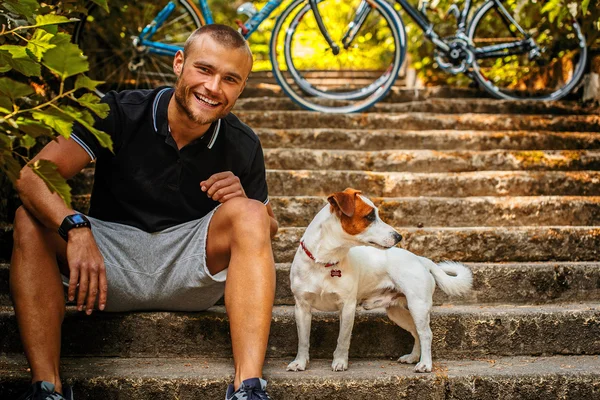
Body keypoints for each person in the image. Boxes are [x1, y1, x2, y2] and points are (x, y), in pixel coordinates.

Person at [11, 24, 277, 400]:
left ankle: (248, 387)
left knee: (251, 214)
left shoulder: (244, 142)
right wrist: (76, 227)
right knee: (28, 218)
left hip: (190, 271)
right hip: (106, 265)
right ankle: (46, 387)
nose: (214, 87)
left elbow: (269, 228)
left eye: (230, 79)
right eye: (204, 69)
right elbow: (31, 177)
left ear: (241, 87)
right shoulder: (118, 111)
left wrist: (243, 200)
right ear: (179, 63)